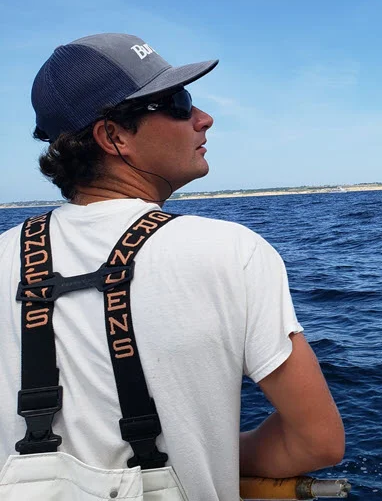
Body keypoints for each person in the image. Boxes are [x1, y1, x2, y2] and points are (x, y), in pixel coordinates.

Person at [0, 33, 345, 500]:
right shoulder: (230, 252)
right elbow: (317, 441)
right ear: (113, 135)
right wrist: (209, 454)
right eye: (178, 103)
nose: (204, 118)